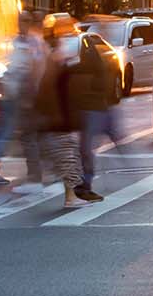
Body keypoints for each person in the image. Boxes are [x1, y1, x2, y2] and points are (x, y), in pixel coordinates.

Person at [0, 12, 47, 187]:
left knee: (18, 135)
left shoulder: (30, 42)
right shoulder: (19, 42)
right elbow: (14, 68)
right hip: (14, 96)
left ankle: (33, 173)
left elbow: (34, 69)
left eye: (25, 20)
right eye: (20, 20)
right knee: (9, 135)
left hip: (19, 95)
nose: (21, 24)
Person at [34, 17, 86, 206]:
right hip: (59, 117)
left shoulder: (60, 55)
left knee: (69, 155)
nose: (73, 33)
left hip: (62, 115)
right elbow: (50, 87)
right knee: (67, 155)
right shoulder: (55, 57)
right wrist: (55, 114)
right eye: (69, 29)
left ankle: (71, 195)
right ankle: (70, 197)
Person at [70, 28, 120, 202]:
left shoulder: (78, 68)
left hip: (92, 112)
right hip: (93, 111)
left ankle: (83, 185)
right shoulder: (86, 67)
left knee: (85, 149)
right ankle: (82, 184)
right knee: (85, 149)